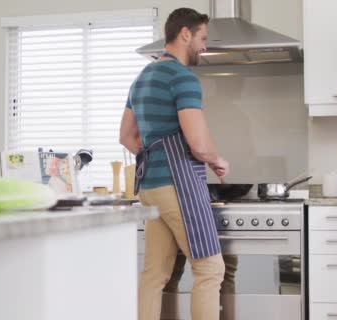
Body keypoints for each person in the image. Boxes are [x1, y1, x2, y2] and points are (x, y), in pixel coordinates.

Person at [119, 8, 229, 320]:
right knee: (209, 268)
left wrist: (157, 153)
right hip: (177, 186)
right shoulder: (183, 78)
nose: (204, 46)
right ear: (185, 34)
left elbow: (127, 137)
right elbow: (198, 143)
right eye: (202, 38)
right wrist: (216, 159)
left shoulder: (141, 79)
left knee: (154, 275)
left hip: (150, 188)